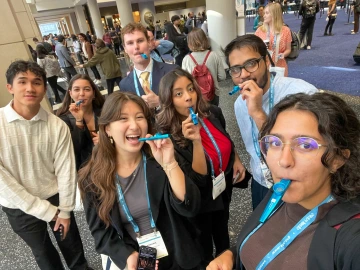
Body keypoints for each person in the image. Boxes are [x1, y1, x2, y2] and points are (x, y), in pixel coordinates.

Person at [207, 92, 360, 270]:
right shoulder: (279, 194)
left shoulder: (351, 238)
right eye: (275, 142)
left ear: (338, 159)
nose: (284, 161)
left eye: (305, 145)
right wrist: (233, 255)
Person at [78, 92, 203, 270]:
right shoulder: (91, 178)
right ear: (107, 129)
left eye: (139, 117)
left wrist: (169, 164)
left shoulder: (161, 156)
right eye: (123, 119)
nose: (134, 126)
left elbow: (191, 207)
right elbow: (101, 234)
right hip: (143, 261)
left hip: (181, 254)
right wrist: (127, 256)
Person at [0, 60, 91, 270]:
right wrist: (46, 211)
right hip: (18, 205)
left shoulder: (56, 126)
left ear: (44, 88)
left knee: (73, 249)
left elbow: (66, 171)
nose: (30, 88)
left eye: (37, 82)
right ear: (10, 87)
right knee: (44, 255)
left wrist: (65, 211)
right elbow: (3, 182)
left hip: (57, 198)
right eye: (22, 82)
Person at [156, 68, 248, 265]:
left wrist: (236, 159)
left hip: (222, 186)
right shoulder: (169, 135)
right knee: (203, 240)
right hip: (200, 199)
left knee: (222, 226)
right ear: (168, 100)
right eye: (178, 94)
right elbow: (198, 179)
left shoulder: (212, 112)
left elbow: (226, 139)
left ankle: (226, 257)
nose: (189, 97)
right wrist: (196, 141)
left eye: (191, 89)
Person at [224, 34, 318, 210]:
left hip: (297, 183)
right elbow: (253, 149)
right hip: (262, 181)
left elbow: (308, 150)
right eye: (235, 69)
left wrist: (258, 113)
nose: (243, 75)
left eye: (251, 64)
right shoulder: (239, 104)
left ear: (267, 61)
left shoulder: (301, 94)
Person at [120, 23, 177, 109]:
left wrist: (160, 101)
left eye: (140, 41)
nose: (136, 47)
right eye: (130, 43)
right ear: (125, 48)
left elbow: (186, 103)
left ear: (148, 42)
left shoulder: (172, 71)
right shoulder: (124, 84)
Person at [57, 74, 105, 171]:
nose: (82, 94)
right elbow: (73, 149)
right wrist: (79, 121)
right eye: (77, 89)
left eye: (87, 89)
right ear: (70, 93)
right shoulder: (63, 120)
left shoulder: (105, 113)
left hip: (107, 164)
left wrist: (106, 141)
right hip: (84, 171)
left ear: (93, 93)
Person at [182, 28, 226, 106]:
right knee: (214, 114)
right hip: (213, 93)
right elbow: (222, 76)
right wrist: (213, 78)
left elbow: (184, 81)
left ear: (189, 43)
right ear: (205, 39)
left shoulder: (186, 59)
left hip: (195, 95)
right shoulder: (214, 55)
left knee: (199, 116)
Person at [255, 2, 292, 77]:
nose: (264, 15)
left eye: (267, 13)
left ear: (274, 15)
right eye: (264, 13)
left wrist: (283, 54)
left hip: (280, 66)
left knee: (280, 87)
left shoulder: (285, 30)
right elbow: (253, 48)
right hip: (264, 66)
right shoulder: (260, 30)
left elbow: (288, 49)